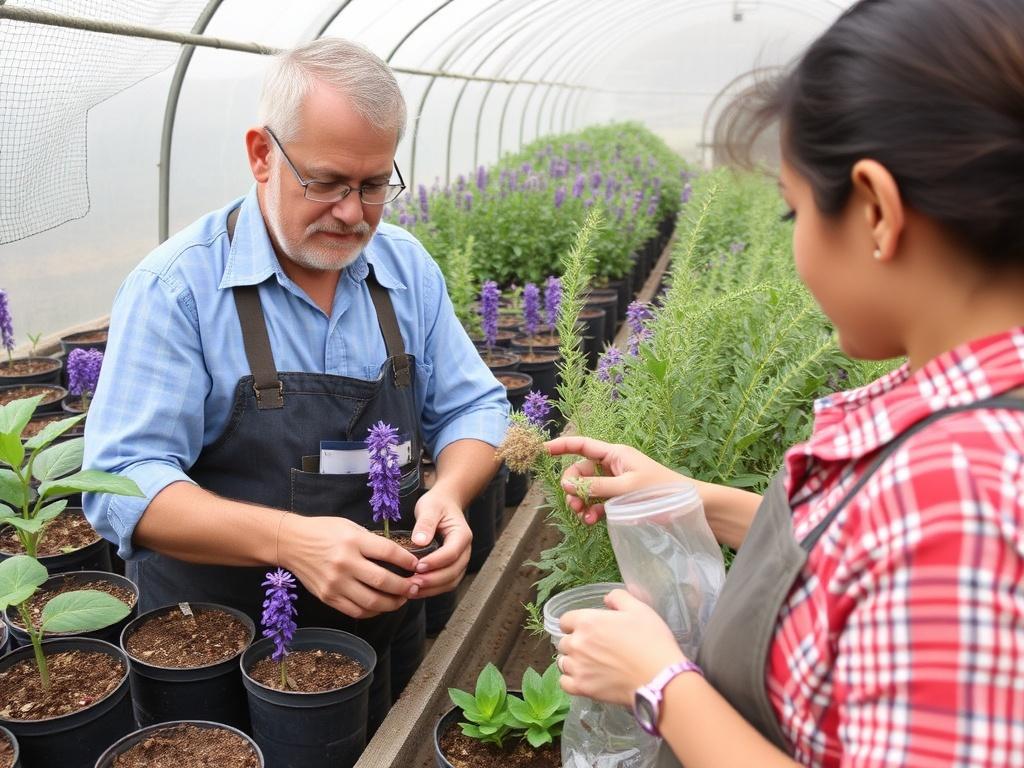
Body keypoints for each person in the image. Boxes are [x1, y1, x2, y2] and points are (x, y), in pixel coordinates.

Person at [547, 1, 1024, 765]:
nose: (796, 244)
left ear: (875, 211)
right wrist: (683, 497)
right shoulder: (956, 422)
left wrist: (660, 682)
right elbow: (855, 556)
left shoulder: (961, 491)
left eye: (791, 212)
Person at [83, 38, 508, 729]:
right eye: (328, 182)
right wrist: (295, 541)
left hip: (383, 628)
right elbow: (120, 483)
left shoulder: (405, 269)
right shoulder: (178, 289)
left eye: (373, 186)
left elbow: (474, 405)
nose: (352, 213)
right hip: (220, 649)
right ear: (261, 154)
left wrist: (452, 498)